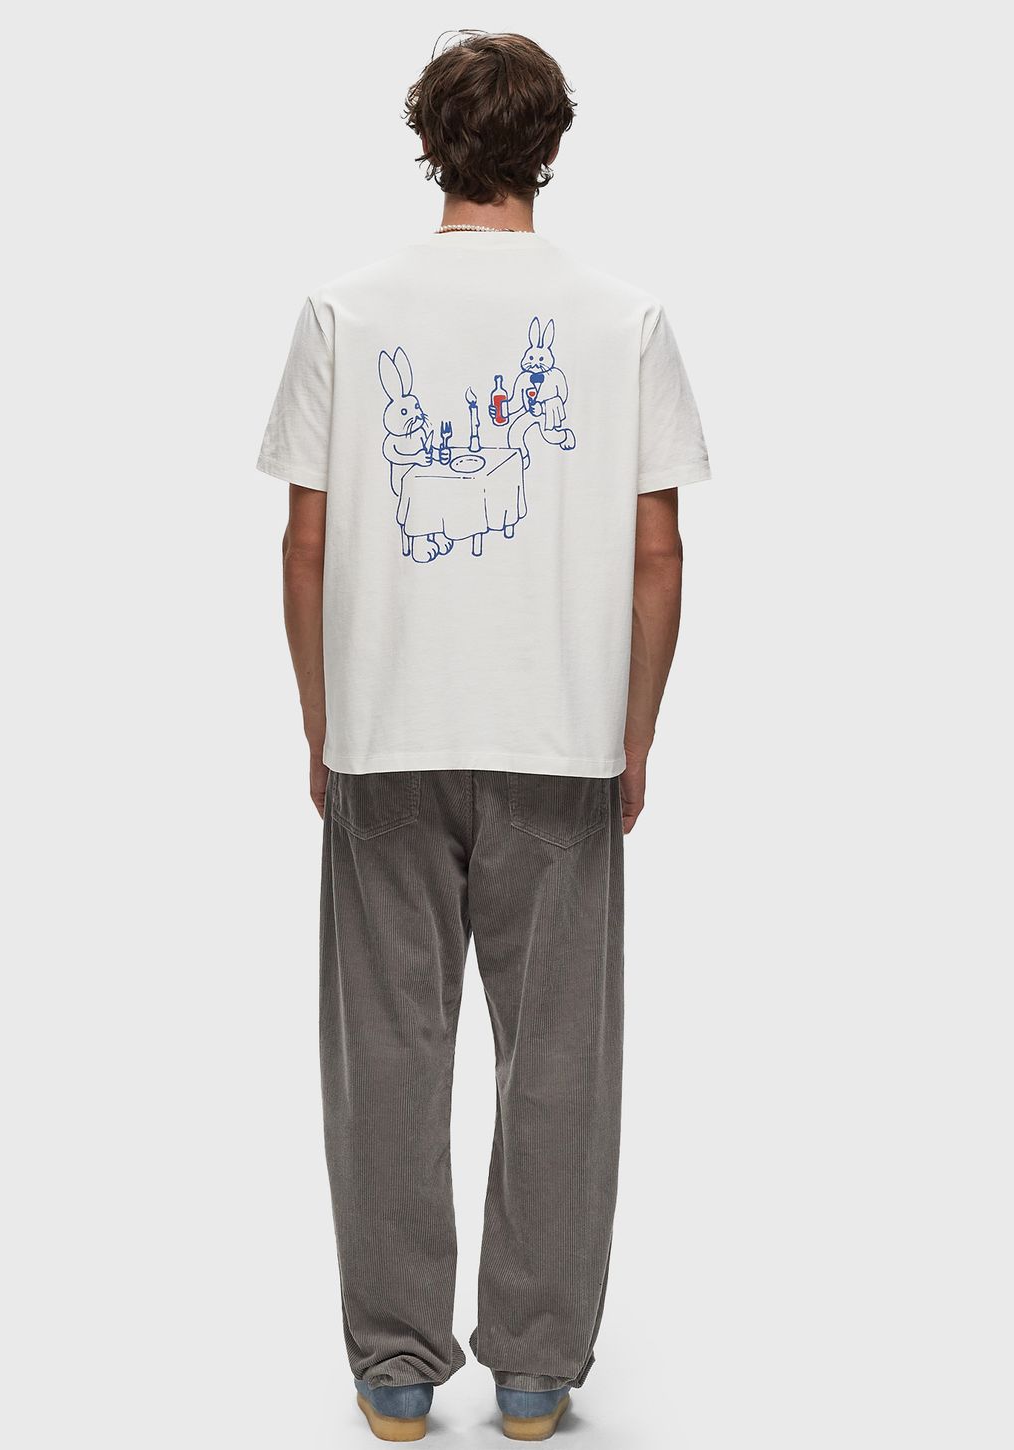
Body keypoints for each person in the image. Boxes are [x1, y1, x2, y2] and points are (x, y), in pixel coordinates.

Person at [256, 31, 710, 1443]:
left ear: (429, 143)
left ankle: (397, 1368)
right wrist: (633, 734)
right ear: (550, 148)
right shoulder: (624, 321)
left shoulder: (344, 311)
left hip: (388, 731)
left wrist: (324, 720)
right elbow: (657, 553)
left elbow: (307, 542)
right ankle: (533, 1370)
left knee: (386, 1053)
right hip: (559, 735)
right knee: (560, 1053)